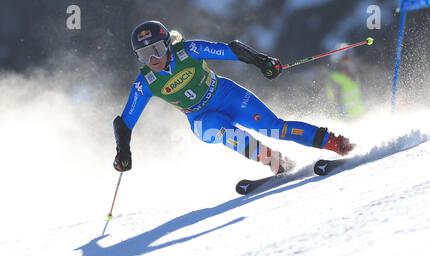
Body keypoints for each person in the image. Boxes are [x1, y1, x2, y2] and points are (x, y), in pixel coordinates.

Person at [113, 21, 355, 175]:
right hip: (201, 118)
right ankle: (275, 162)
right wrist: (123, 151)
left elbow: (232, 50)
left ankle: (337, 144)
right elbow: (125, 122)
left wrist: (263, 62)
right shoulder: (146, 82)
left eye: (155, 49)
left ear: (167, 45)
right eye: (144, 55)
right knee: (222, 131)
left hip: (226, 95)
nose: (152, 59)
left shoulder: (189, 51)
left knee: (274, 128)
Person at [326, 43, 366, 120]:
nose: (348, 62)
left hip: (359, 116)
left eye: (349, 59)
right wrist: (341, 113)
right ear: (338, 61)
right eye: (345, 59)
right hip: (345, 119)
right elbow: (333, 98)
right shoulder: (335, 77)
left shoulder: (354, 74)